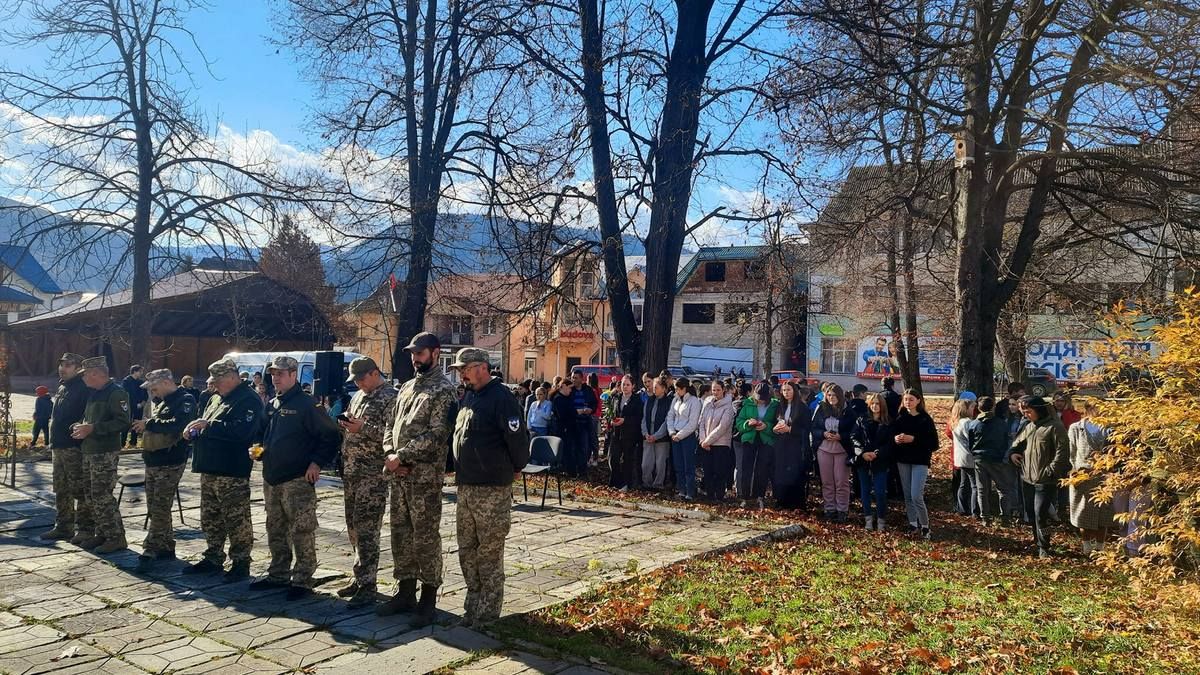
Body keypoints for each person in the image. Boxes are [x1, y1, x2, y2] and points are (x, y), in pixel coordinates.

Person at [376, 334, 457, 624]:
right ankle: (405, 592)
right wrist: (389, 454)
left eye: (420, 353)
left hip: (423, 479)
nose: (415, 358)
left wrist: (403, 456)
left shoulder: (444, 391)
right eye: (412, 353)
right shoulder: (408, 387)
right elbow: (391, 425)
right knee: (400, 534)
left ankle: (428, 599)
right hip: (399, 475)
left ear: (435, 353)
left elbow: (437, 435)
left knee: (424, 537)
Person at [448, 348, 530, 627]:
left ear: (483, 367)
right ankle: (473, 605)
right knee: (466, 549)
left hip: (492, 488)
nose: (462, 374)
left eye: (465, 369)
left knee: (489, 551)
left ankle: (488, 612)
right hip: (467, 486)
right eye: (460, 370)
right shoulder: (470, 396)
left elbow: (517, 438)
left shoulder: (501, 398)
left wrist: (516, 467)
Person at [248, 356, 341, 600]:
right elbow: (260, 433)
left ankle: (302, 580)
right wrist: (256, 448)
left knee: (302, 530)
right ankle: (278, 573)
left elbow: (331, 435)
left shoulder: (308, 404)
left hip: (297, 478)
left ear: (293, 374)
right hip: (272, 477)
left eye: (280, 373)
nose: (275, 378)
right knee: (275, 528)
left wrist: (317, 462)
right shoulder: (272, 404)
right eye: (272, 374)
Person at [183, 358, 264, 581]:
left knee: (236, 518)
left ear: (231, 377)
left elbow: (243, 432)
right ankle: (213, 556)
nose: (213, 386)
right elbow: (206, 423)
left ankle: (240, 562)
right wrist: (193, 430)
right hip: (210, 467)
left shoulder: (248, 400)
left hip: (231, 471)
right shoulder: (216, 398)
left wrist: (209, 426)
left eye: (217, 381)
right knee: (210, 517)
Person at [331, 357, 399, 609]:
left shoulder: (391, 397)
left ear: (374, 373)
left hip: (373, 475)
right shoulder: (359, 396)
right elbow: (354, 427)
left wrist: (364, 427)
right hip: (352, 472)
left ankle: (369, 585)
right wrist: (346, 423)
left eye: (361, 379)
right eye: (355, 380)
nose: (358, 384)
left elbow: (393, 434)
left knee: (367, 529)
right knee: (353, 527)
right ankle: (360, 577)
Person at [130, 369, 195, 572]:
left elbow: (179, 425)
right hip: (154, 460)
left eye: (154, 387)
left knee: (159, 506)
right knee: (155, 506)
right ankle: (166, 546)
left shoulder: (185, 399)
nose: (153, 392)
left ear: (167, 382)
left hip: (170, 461)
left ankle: (150, 549)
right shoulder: (162, 402)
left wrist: (149, 423)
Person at [73, 357, 131, 553]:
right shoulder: (95, 393)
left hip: (104, 452)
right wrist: (81, 426)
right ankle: (103, 533)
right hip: (89, 450)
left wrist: (93, 428)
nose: (83, 379)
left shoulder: (116, 393)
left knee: (102, 496)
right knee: (90, 496)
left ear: (96, 374)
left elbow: (123, 422)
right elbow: (90, 419)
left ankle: (116, 537)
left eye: (85, 375)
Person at [1009, 396, 1070, 558]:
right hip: (1027, 478)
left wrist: (1050, 471)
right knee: (1031, 513)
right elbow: (1017, 444)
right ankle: (1037, 541)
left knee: (1041, 514)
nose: (1026, 415)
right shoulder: (1029, 426)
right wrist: (1013, 454)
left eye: (1029, 412)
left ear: (1039, 410)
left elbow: (1062, 453)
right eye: (1025, 412)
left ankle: (1045, 546)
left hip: (1045, 480)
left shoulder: (1055, 427)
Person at [41, 354, 92, 542]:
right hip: (59, 445)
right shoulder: (64, 385)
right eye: (61, 364)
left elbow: (87, 416)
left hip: (73, 447)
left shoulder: (83, 387)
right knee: (61, 488)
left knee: (79, 489)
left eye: (68, 365)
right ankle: (63, 526)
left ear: (79, 368)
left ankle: (86, 529)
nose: (63, 368)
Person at [892, 388, 939, 540]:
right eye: (906, 399)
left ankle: (925, 526)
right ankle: (913, 524)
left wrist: (914, 439)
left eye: (911, 399)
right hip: (903, 460)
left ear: (918, 401)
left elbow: (934, 443)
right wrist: (896, 439)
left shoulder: (925, 419)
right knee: (907, 495)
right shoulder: (899, 418)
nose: (908, 402)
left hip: (920, 460)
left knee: (916, 495)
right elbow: (890, 436)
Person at [1068, 400, 1113, 555]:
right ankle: (1086, 546)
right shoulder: (1076, 428)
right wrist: (1074, 471)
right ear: (1087, 409)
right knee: (1083, 512)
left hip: (1104, 475)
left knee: (1104, 513)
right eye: (1094, 407)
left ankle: (1100, 547)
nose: (1098, 410)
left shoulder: (1109, 429)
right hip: (1082, 475)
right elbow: (1071, 452)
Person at [968, 396, 1020, 524]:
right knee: (1003, 489)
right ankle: (1005, 517)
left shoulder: (973, 424)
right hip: (997, 459)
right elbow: (1005, 440)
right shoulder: (1001, 423)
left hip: (980, 459)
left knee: (982, 490)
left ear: (979, 408)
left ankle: (985, 517)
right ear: (993, 407)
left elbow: (970, 443)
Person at [810, 384, 853, 521]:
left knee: (841, 482)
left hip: (842, 450)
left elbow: (854, 431)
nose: (831, 398)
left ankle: (842, 510)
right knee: (827, 481)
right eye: (829, 395)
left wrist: (841, 436)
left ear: (839, 396)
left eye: (834, 395)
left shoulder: (848, 410)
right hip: (824, 449)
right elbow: (813, 428)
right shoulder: (821, 409)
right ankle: (829, 509)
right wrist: (823, 434)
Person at [852, 393, 894, 530]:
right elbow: (854, 438)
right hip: (863, 460)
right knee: (865, 491)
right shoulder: (861, 419)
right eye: (873, 403)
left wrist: (878, 453)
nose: (875, 406)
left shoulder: (888, 422)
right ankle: (868, 519)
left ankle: (881, 520)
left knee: (880, 491)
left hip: (880, 461)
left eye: (878, 404)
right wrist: (862, 453)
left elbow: (890, 443)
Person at [735, 382, 779, 509]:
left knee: (762, 469)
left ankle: (759, 495)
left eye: (763, 399)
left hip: (766, 440)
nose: (760, 401)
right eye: (758, 398)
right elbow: (739, 422)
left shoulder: (774, 405)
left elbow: (776, 423)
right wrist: (748, 423)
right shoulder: (747, 403)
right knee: (746, 468)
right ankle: (745, 496)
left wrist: (766, 426)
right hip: (750, 438)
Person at [772, 381, 813, 510]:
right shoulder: (780, 406)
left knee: (795, 474)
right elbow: (775, 421)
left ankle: (796, 503)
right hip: (781, 445)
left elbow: (806, 428)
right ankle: (781, 500)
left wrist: (791, 430)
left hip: (796, 446)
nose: (786, 393)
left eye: (789, 390)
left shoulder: (802, 407)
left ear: (794, 391)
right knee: (780, 473)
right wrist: (776, 428)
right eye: (784, 390)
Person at [696, 380, 735, 502]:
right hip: (706, 444)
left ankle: (718, 496)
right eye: (713, 390)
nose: (716, 392)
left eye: (718, 390)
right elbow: (701, 422)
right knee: (707, 471)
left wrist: (708, 440)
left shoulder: (728, 407)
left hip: (721, 444)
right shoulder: (708, 403)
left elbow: (722, 427)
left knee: (719, 471)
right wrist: (703, 440)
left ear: (723, 390)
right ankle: (709, 495)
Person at [666, 377, 702, 501]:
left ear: (684, 389)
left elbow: (692, 423)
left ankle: (690, 492)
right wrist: (671, 432)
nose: (676, 392)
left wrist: (680, 435)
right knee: (678, 465)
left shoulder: (694, 401)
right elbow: (670, 416)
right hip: (675, 434)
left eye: (677, 389)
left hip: (687, 437)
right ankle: (681, 490)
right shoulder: (676, 400)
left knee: (689, 466)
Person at [608, 375, 644, 490]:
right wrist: (611, 420)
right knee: (613, 458)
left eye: (628, 384)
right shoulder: (616, 397)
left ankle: (626, 484)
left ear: (633, 386)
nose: (625, 387)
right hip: (616, 433)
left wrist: (625, 420)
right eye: (623, 384)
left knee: (627, 460)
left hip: (630, 434)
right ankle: (615, 482)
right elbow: (612, 413)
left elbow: (639, 417)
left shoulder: (637, 400)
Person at [640, 376, 672, 490]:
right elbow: (644, 418)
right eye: (653, 387)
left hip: (661, 439)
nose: (654, 389)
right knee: (646, 464)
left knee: (660, 464)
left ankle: (658, 485)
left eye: (656, 387)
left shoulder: (668, 403)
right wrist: (646, 433)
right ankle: (646, 483)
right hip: (648, 436)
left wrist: (657, 436)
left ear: (663, 388)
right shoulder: (649, 400)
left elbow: (666, 421)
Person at [950, 395, 979, 517]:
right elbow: (972, 439)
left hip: (960, 458)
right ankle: (975, 511)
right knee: (975, 485)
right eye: (972, 407)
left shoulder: (955, 422)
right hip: (969, 458)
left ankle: (962, 508)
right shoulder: (967, 423)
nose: (974, 410)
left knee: (963, 483)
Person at [120, 365, 147, 448]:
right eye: (140, 371)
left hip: (139, 406)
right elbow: (125, 394)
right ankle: (122, 443)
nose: (141, 373)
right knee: (126, 423)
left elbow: (145, 393)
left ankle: (133, 442)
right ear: (134, 371)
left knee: (136, 424)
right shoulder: (126, 381)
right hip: (129, 406)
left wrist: (143, 402)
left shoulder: (141, 382)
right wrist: (134, 403)